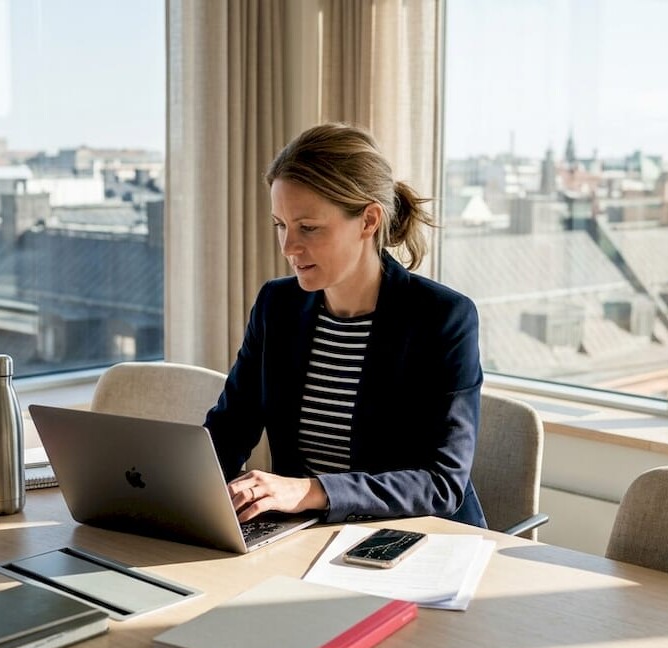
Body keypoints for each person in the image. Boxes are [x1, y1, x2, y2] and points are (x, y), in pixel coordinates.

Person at [204, 122, 487, 528]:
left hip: (411, 539)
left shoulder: (442, 318)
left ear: (369, 220)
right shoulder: (276, 305)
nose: (288, 247)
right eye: (281, 225)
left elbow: (441, 484)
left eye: (309, 227)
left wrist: (307, 490)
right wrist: (182, 492)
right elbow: (229, 430)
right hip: (304, 538)